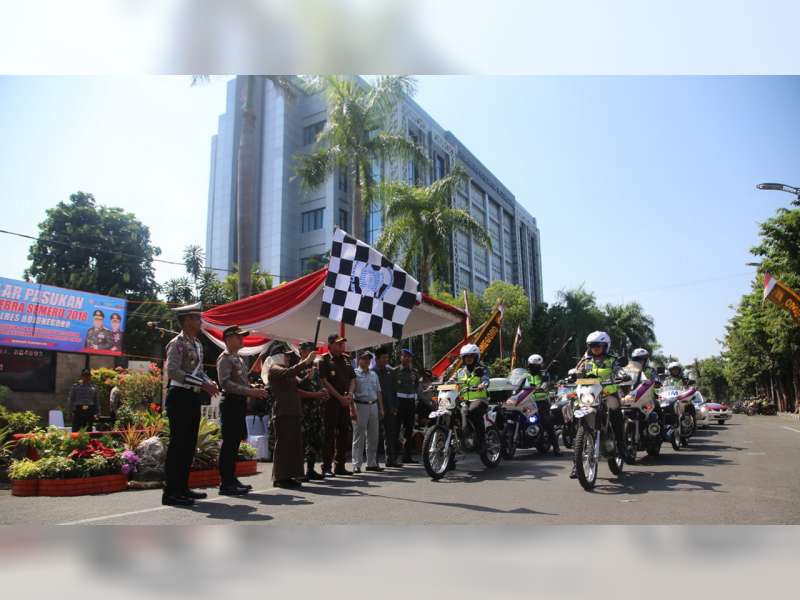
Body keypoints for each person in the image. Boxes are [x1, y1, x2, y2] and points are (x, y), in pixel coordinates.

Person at [163, 302, 220, 507]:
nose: (200, 321)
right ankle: (171, 492)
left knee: (188, 445)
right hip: (179, 395)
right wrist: (202, 383)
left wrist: (209, 380)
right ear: (187, 320)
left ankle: (183, 488)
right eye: (197, 318)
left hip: (192, 397)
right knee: (178, 444)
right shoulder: (176, 343)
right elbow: (174, 371)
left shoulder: (197, 344)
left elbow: (199, 370)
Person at [216, 325, 269, 496]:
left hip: (239, 404)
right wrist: (250, 391)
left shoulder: (237, 358)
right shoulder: (224, 358)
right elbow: (225, 383)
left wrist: (253, 387)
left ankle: (231, 478)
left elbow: (240, 382)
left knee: (236, 442)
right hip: (230, 403)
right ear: (229, 339)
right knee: (229, 443)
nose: (242, 340)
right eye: (239, 337)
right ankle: (226, 482)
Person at [570, 331, 623, 479]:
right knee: (579, 420)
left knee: (615, 414)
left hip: (608, 394)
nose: (595, 349)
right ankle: (576, 464)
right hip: (590, 395)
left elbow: (619, 369)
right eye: (592, 346)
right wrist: (572, 375)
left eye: (598, 346)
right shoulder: (585, 360)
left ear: (606, 346)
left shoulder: (612, 360)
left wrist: (621, 374)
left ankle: (621, 447)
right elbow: (577, 371)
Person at [266, 340, 317, 489]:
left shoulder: (286, 371)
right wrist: (306, 362)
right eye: (285, 355)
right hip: (283, 412)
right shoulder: (274, 369)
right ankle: (280, 477)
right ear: (277, 356)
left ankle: (289, 475)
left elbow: (299, 386)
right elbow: (290, 372)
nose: (288, 358)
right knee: (283, 446)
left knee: (293, 446)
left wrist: (308, 377)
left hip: (293, 411)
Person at [319, 334, 356, 477]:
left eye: (343, 344)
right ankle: (326, 467)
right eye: (339, 344)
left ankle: (340, 465)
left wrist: (350, 395)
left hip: (345, 401)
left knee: (343, 434)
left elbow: (353, 379)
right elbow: (324, 382)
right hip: (331, 402)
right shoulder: (324, 360)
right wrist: (339, 397)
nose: (342, 346)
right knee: (329, 434)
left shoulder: (347, 360)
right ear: (330, 345)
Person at [296, 341, 329, 482]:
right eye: (308, 350)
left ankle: (310, 470)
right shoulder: (296, 368)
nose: (311, 353)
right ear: (301, 352)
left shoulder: (315, 368)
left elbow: (318, 385)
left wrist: (323, 392)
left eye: (312, 350)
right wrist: (315, 395)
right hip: (303, 410)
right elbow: (297, 390)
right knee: (301, 442)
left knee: (314, 441)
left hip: (315, 410)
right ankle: (298, 471)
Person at [450, 343, 491, 452]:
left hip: (479, 399)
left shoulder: (482, 369)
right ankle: (451, 453)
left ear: (476, 357)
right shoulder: (460, 371)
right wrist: (440, 383)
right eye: (466, 356)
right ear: (463, 358)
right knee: (451, 415)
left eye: (471, 356)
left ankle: (482, 442)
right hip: (463, 401)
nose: (468, 359)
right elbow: (450, 381)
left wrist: (483, 384)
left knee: (473, 411)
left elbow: (486, 379)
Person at [350, 351, 385, 473]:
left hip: (373, 405)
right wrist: (352, 409)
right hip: (360, 405)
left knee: (373, 436)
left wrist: (381, 408)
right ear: (358, 360)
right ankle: (356, 464)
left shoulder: (373, 374)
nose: (367, 361)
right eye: (364, 359)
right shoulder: (354, 374)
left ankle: (371, 463)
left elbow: (378, 392)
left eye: (368, 359)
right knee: (359, 436)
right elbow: (351, 392)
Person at [525, 353, 560, 456]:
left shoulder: (544, 374)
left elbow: (546, 383)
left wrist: (542, 387)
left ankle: (556, 448)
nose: (534, 367)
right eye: (532, 365)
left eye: (537, 366)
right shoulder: (525, 375)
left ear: (540, 366)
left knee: (547, 422)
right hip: (527, 401)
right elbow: (518, 383)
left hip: (541, 402)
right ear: (529, 365)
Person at [374, 348, 401, 467]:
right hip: (376, 407)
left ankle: (391, 459)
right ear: (377, 359)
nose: (386, 360)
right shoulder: (372, 372)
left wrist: (395, 406)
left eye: (387, 358)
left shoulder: (390, 372)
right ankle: (373, 461)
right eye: (383, 358)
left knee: (390, 434)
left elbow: (395, 390)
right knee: (375, 435)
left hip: (390, 407)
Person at [395, 348, 421, 463]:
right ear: (401, 357)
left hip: (410, 402)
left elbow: (416, 386)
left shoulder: (414, 372)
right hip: (399, 402)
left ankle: (407, 456)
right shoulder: (395, 371)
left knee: (409, 430)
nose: (407, 358)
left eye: (409, 357)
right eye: (405, 356)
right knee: (395, 429)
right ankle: (394, 456)